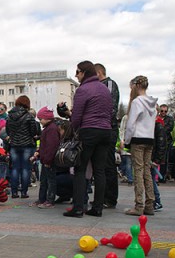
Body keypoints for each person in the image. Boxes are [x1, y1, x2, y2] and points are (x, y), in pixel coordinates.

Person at [64, 61, 112, 218]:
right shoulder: (104, 89)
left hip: (89, 130)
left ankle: (78, 208)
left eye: (77, 72)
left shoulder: (83, 89)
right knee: (99, 170)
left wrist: (73, 131)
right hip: (106, 131)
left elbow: (77, 116)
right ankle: (97, 208)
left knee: (80, 168)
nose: (76, 75)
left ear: (84, 72)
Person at [123, 76, 158, 216]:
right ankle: (150, 203)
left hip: (137, 139)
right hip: (149, 138)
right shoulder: (153, 104)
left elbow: (131, 124)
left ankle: (139, 205)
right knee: (147, 171)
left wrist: (126, 140)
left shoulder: (137, 102)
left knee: (138, 171)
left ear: (136, 86)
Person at [95, 63, 120, 209]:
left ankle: (110, 198)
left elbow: (110, 106)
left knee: (108, 164)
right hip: (100, 128)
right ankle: (101, 196)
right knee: (100, 165)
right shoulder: (96, 86)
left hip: (108, 129)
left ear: (99, 72)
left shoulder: (109, 84)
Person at [6, 95, 38, 199]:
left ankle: (14, 192)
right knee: (25, 169)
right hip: (27, 145)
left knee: (15, 168)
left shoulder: (9, 116)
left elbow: (8, 131)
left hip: (14, 145)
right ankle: (24, 192)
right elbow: (33, 131)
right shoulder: (29, 116)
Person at [31, 106, 60, 209]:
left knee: (50, 181)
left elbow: (52, 147)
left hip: (48, 161)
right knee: (43, 181)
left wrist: (47, 159)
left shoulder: (51, 129)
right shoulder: (48, 129)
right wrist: (38, 152)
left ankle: (50, 200)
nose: (40, 121)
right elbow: (45, 145)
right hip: (45, 160)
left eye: (41, 119)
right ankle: (42, 199)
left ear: (47, 118)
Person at [158, 104, 175, 182]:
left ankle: (162, 176)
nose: (163, 112)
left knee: (165, 159)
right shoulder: (156, 118)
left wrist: (160, 129)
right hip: (157, 141)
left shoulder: (170, 119)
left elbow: (170, 128)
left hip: (166, 141)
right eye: (162, 111)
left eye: (165, 111)